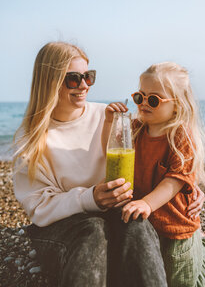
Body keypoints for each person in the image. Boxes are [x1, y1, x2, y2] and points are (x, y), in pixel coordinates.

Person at [13, 42, 169, 287]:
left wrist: (187, 185)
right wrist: (90, 198)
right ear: (50, 81)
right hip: (61, 229)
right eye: (73, 79)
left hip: (113, 217)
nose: (84, 85)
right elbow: (39, 206)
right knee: (92, 229)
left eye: (88, 76)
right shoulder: (31, 138)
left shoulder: (110, 117)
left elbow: (156, 152)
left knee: (137, 225)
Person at [103, 62, 205, 287]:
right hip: (147, 221)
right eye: (139, 97)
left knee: (186, 282)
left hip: (175, 227)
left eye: (153, 100)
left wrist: (146, 203)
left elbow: (174, 181)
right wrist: (108, 122)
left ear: (177, 106)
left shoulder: (180, 136)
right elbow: (110, 149)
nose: (143, 104)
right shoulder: (136, 128)